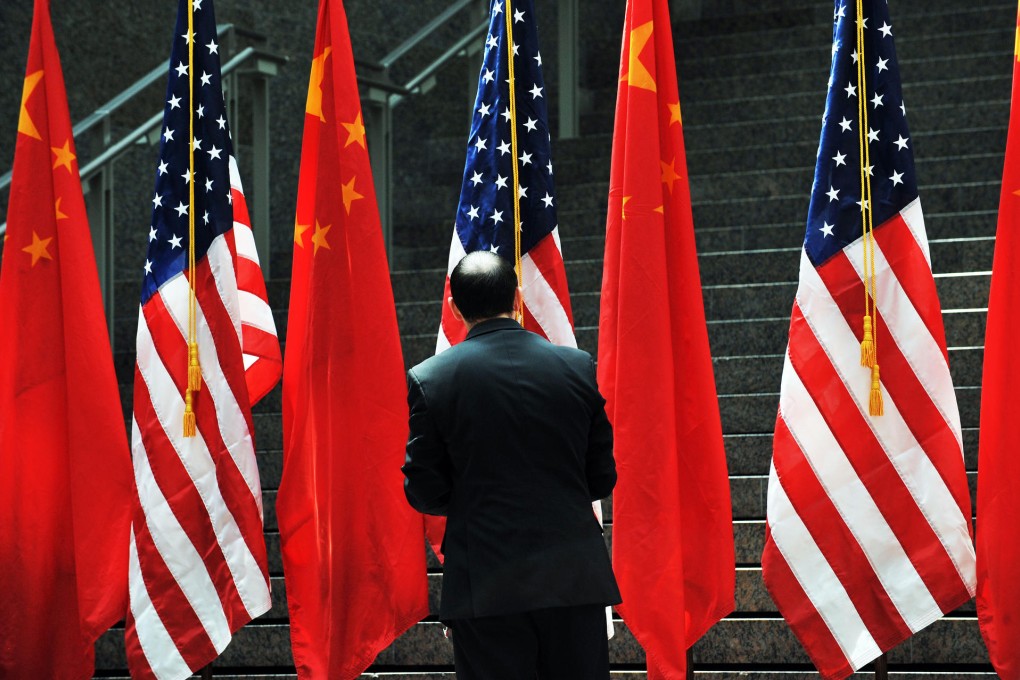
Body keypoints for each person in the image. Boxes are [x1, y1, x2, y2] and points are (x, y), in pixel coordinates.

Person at [401, 251, 621, 680]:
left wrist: (472, 500)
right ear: (518, 298)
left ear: (454, 307)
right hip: (574, 582)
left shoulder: (431, 380)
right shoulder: (577, 367)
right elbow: (602, 476)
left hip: (485, 585)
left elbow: (423, 490)